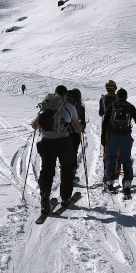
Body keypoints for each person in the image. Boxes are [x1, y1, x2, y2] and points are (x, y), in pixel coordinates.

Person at [31, 85, 84, 215]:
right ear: (65, 95)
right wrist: (81, 126)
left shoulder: (46, 106)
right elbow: (77, 129)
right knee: (67, 169)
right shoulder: (69, 107)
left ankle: (44, 200)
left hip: (46, 142)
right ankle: (66, 198)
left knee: (47, 170)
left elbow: (34, 125)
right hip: (63, 142)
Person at [101, 88, 136, 196]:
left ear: (117, 96)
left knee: (111, 158)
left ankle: (110, 180)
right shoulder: (130, 107)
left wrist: (103, 137)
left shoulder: (112, 106)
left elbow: (105, 122)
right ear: (126, 96)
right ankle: (127, 182)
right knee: (126, 158)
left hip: (113, 136)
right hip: (125, 136)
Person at [99, 80, 121, 179]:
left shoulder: (103, 99)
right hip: (119, 125)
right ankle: (118, 163)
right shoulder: (118, 97)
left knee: (107, 146)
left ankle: (107, 169)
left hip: (107, 125)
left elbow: (101, 113)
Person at [66, 88, 87, 179]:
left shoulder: (65, 105)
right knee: (73, 152)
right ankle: (72, 173)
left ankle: (65, 171)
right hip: (76, 133)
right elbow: (83, 122)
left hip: (64, 132)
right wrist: (81, 127)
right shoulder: (80, 108)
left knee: (65, 152)